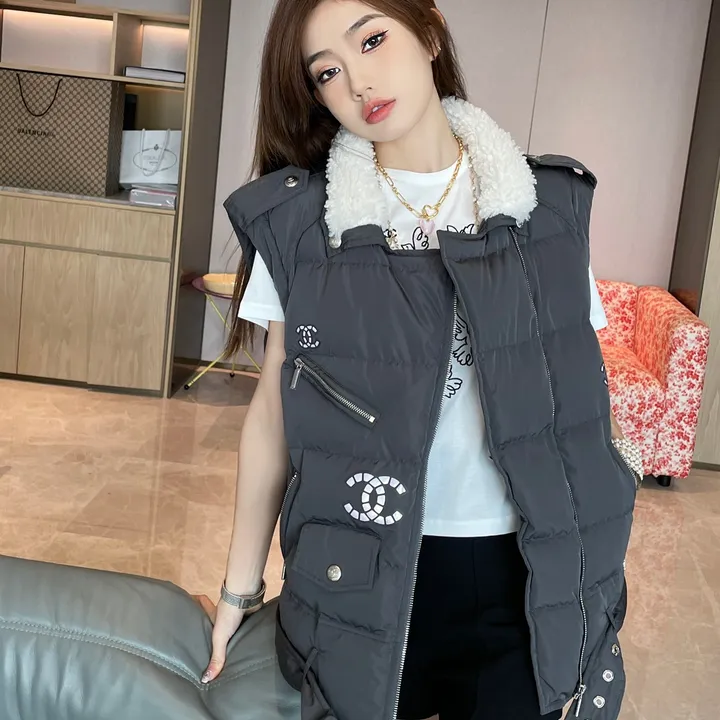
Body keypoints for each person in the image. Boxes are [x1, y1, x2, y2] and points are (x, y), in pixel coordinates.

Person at [201, 1, 641, 719]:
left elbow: (581, 401)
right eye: (327, 72)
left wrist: (595, 550)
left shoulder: (546, 211)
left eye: (373, 40)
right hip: (365, 570)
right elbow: (273, 415)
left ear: (430, 32)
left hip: (522, 574)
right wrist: (238, 591)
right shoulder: (303, 229)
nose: (359, 82)